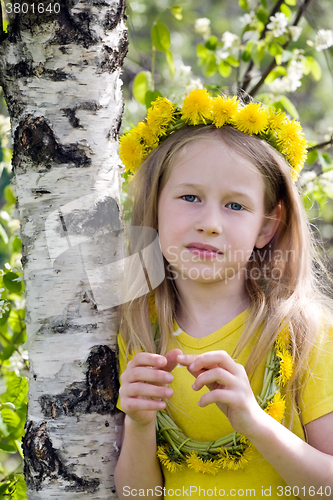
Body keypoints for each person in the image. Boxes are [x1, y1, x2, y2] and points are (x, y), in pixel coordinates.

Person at [114, 90, 333, 500]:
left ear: (267, 227)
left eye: (235, 206)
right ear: (155, 205)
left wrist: (254, 421)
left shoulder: (303, 332)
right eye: (190, 197)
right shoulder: (139, 329)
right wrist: (139, 424)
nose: (210, 223)